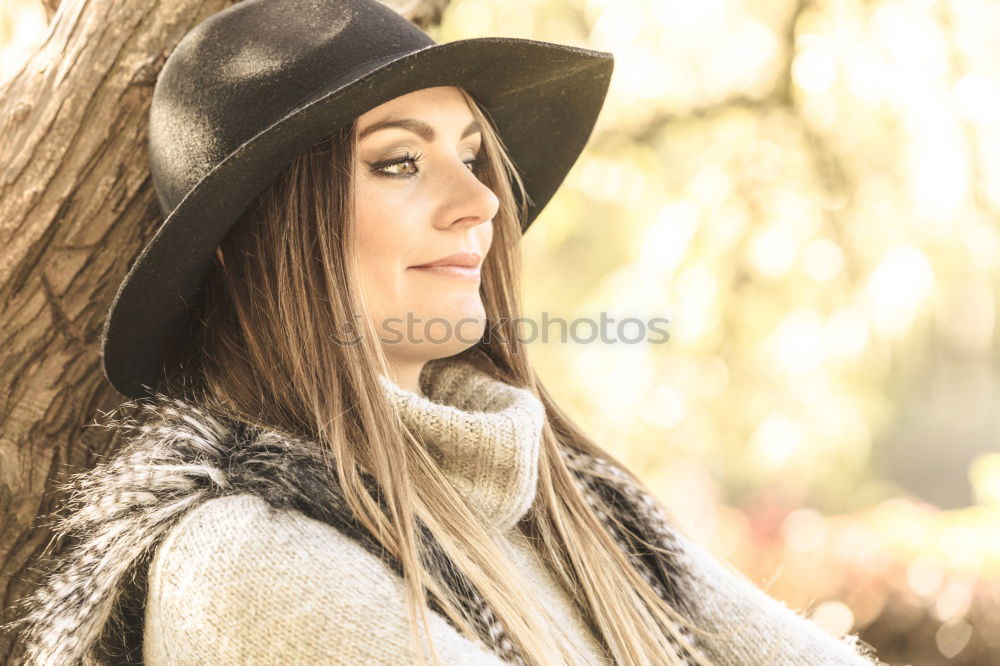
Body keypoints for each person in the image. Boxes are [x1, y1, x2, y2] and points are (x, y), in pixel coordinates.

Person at [2, 1, 886, 665]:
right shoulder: (243, 562)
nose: (483, 202)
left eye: (470, 155)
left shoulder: (578, 510)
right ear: (250, 243)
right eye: (398, 162)